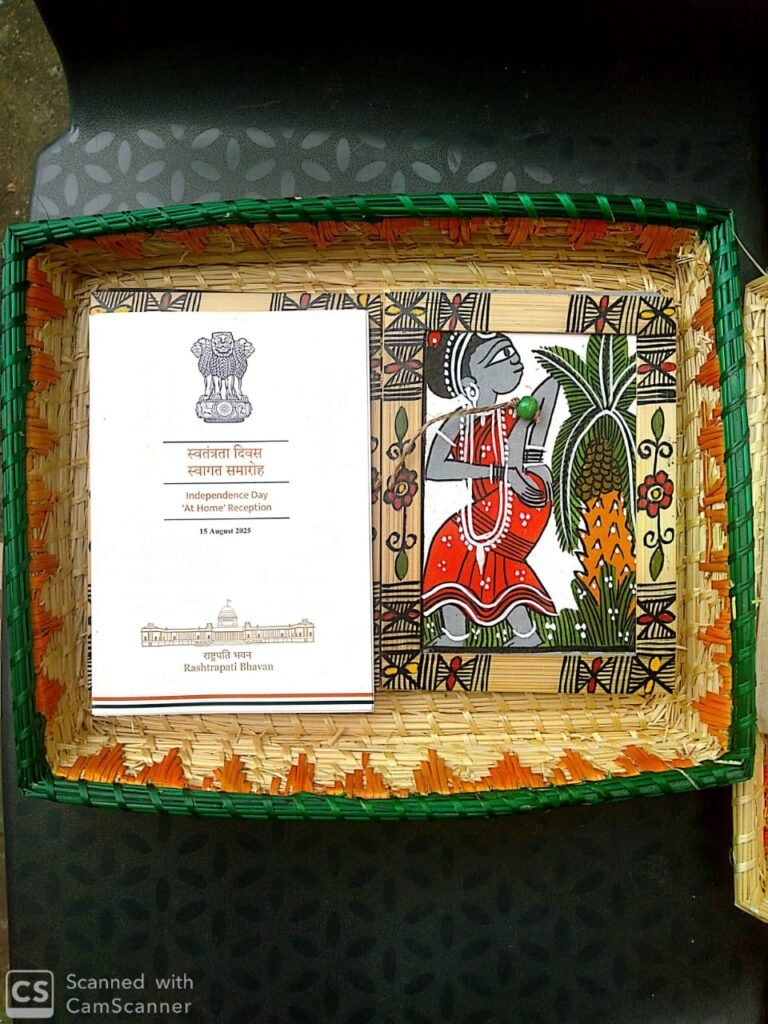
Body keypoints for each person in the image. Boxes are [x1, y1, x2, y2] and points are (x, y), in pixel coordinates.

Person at [422, 330, 559, 647]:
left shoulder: (516, 411)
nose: (513, 358)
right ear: (470, 382)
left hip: (523, 495)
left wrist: (526, 468)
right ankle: (523, 635)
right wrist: (497, 472)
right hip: (494, 501)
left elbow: (552, 387)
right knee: (488, 557)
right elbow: (434, 469)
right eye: (498, 356)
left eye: (510, 351)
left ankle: (459, 635)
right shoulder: (459, 421)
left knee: (450, 542)